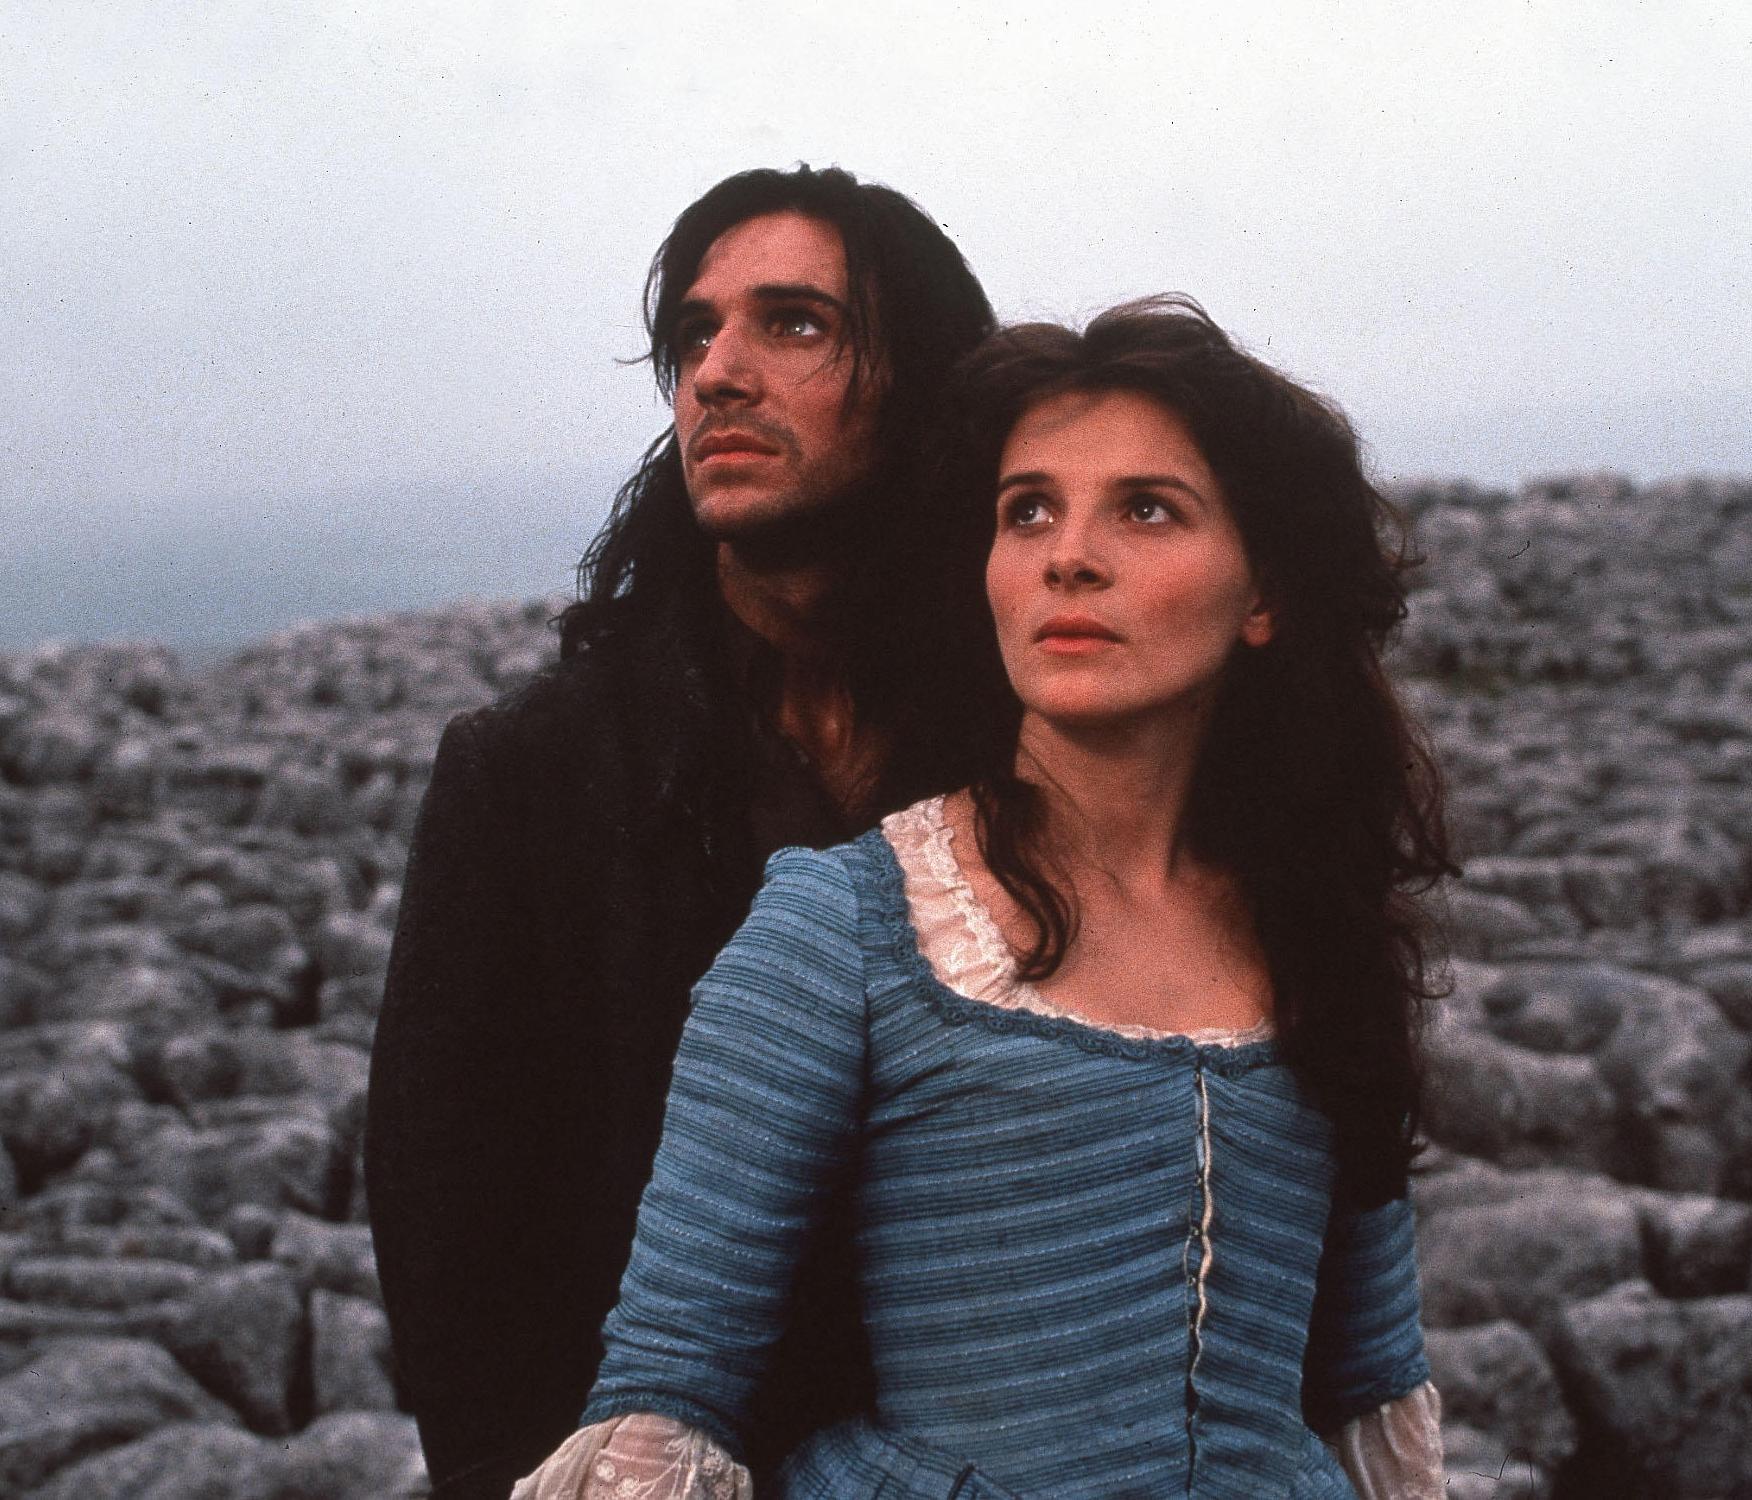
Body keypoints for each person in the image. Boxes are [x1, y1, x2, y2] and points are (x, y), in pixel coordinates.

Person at [514, 298, 1458, 1498]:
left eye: (1147, 508)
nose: (1068, 553)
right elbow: (670, 1388)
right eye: (1028, 511)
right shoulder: (845, 928)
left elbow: (1369, 1381)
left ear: (1263, 591)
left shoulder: (1321, 933)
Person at [364, 165, 997, 1499]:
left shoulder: (1026, 750)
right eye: (695, 334)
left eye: (795, 325)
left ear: (924, 382)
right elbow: (453, 1244)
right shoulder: (531, 775)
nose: (717, 373)